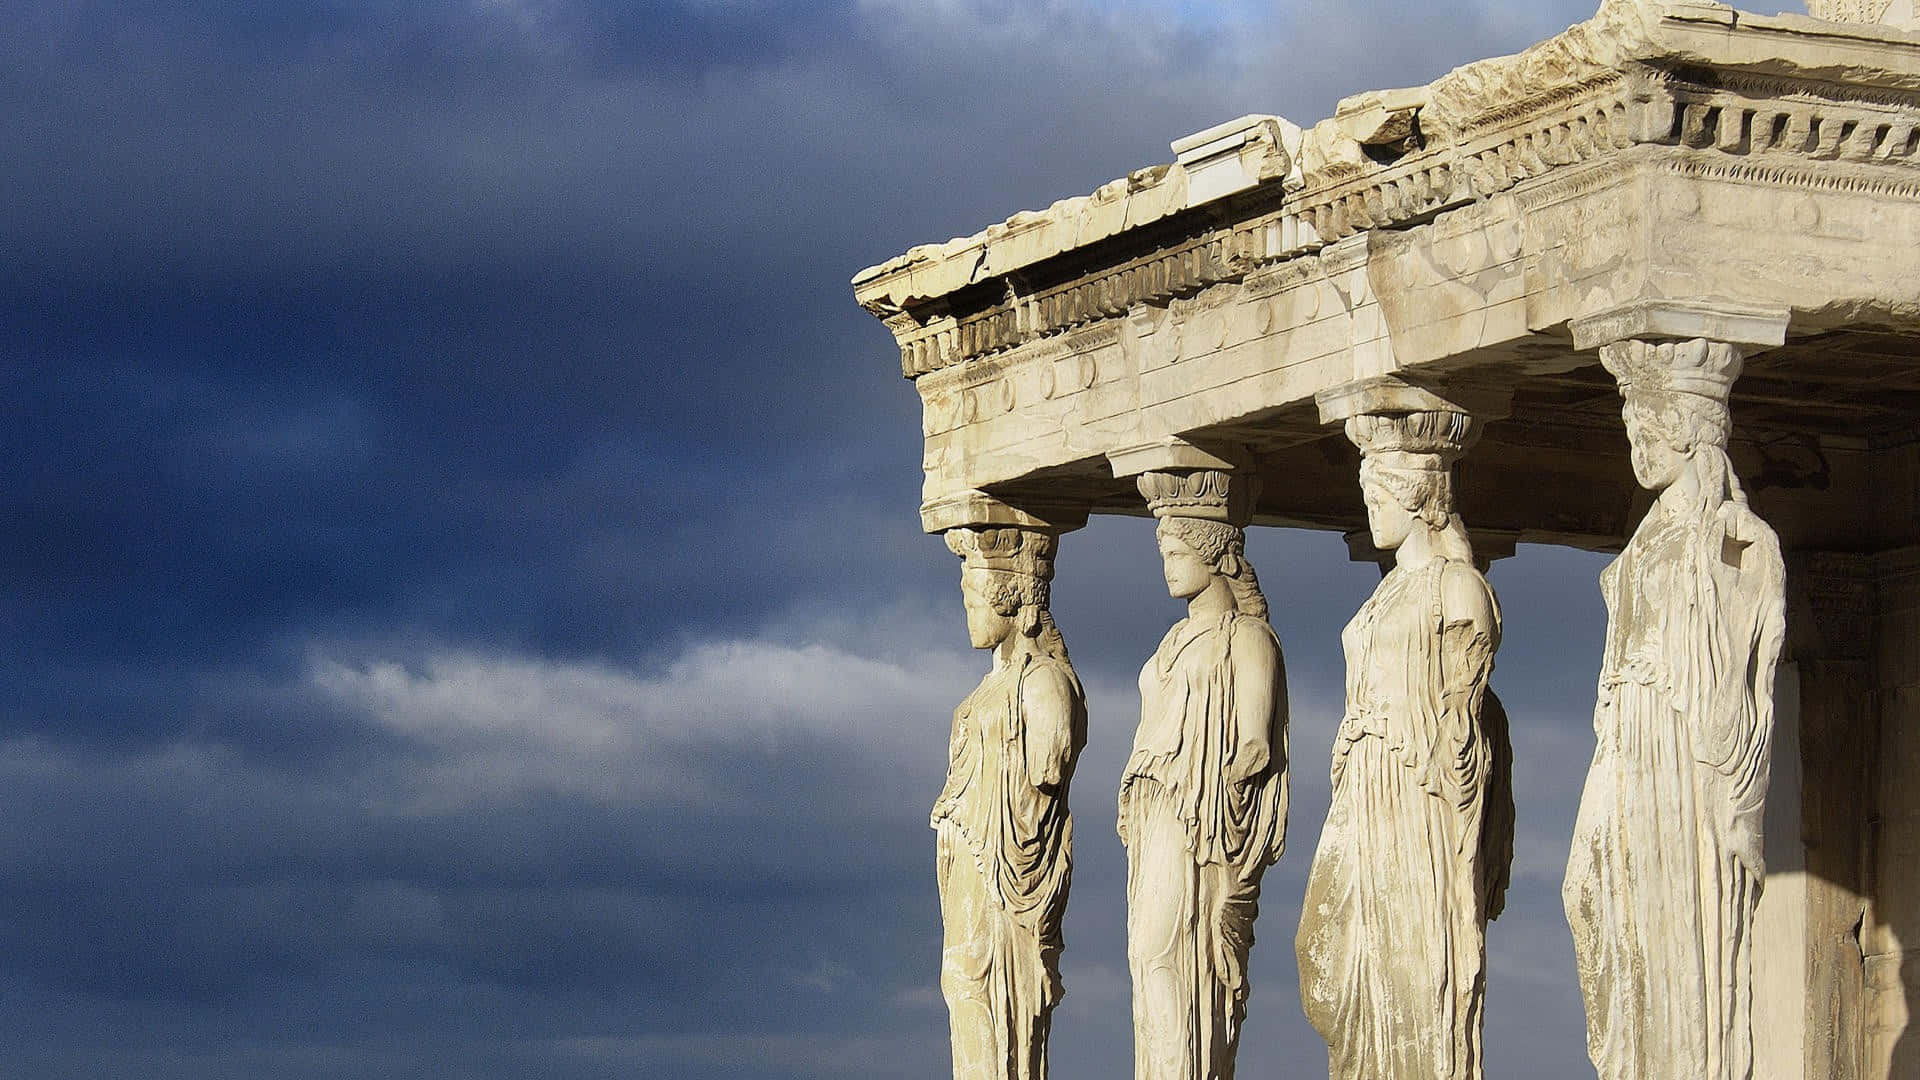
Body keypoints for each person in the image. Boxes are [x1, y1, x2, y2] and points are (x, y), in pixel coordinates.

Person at [1563, 340, 1785, 1080]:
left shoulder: (1734, 536)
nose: (1636, 449)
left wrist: (1737, 791)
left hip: (1684, 748)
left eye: (1647, 434)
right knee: (1588, 892)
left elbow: (1750, 671)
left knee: (1676, 926)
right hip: (1627, 740)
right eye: (1630, 434)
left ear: (1688, 434)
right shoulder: (1647, 538)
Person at [1296, 411, 1511, 1080]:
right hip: (1363, 786)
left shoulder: (1457, 588)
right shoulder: (1388, 591)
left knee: (1413, 961)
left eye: (1379, 498)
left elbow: (1469, 721)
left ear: (1417, 499)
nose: (1372, 512)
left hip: (1417, 799)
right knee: (1323, 948)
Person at [1121, 471, 1287, 1080]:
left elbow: (1255, 743)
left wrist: (1226, 779)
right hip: (1157, 820)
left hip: (1203, 824)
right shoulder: (1171, 640)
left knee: (1175, 959)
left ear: (1211, 551)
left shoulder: (1246, 639)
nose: (1167, 565)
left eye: (1177, 551)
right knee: (1148, 959)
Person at [935, 526, 1087, 1080]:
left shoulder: (1044, 683)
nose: (968, 611)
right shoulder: (979, 696)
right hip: (969, 875)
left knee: (997, 999)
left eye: (975, 598)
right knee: (964, 987)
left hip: (1009, 882)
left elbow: (1049, 766)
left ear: (1010, 597)